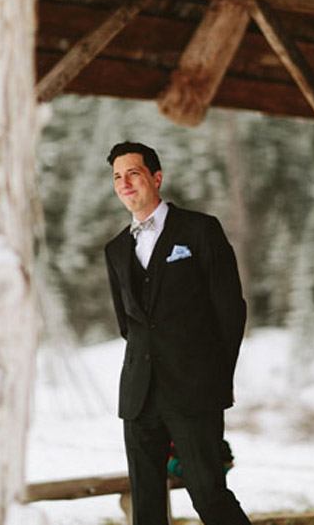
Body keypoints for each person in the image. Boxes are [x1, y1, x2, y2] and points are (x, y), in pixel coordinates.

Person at [103, 141, 251, 525]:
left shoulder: (200, 230)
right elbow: (128, 324)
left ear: (156, 177)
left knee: (210, 497)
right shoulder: (116, 249)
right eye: (118, 177)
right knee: (147, 509)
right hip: (138, 397)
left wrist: (214, 381)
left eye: (133, 173)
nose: (125, 183)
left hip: (193, 391)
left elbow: (231, 311)